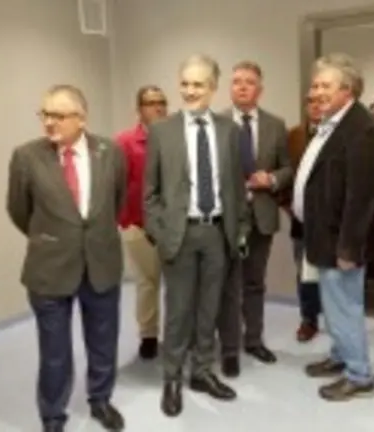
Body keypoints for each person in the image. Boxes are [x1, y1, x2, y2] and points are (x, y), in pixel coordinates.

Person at [6, 85, 127, 432]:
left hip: (101, 262)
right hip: (50, 267)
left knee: (103, 341)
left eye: (58, 115)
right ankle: (53, 415)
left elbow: (116, 202)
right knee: (54, 351)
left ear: (81, 118)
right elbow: (19, 210)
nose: (49, 122)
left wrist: (90, 236)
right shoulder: (26, 157)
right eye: (44, 114)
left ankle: (100, 399)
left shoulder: (110, 152)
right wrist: (53, 238)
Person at [143, 54, 249, 417]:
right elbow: (150, 194)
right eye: (185, 83)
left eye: (198, 84)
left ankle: (202, 371)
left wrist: (240, 230)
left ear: (213, 87)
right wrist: (161, 234)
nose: (189, 91)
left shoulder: (229, 130)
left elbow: (236, 187)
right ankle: (172, 377)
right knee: (178, 311)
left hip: (218, 232)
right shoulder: (162, 131)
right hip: (180, 235)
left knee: (210, 309)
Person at [295, 53, 374, 401]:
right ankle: (340, 355)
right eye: (315, 85)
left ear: (348, 90)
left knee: (344, 307)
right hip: (322, 235)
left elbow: (362, 197)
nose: (316, 92)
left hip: (340, 241)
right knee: (333, 306)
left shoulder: (361, 129)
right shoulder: (331, 123)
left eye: (325, 86)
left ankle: (360, 375)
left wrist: (349, 247)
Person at [217, 60, 292, 376]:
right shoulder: (216, 123)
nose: (242, 87)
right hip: (225, 218)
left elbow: (287, 167)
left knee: (254, 283)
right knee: (226, 285)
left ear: (259, 89)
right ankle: (228, 345)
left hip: (261, 215)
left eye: (249, 82)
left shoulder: (275, 124)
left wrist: (271, 179)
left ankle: (254, 340)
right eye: (237, 81)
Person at [115, 85, 167, 360]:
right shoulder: (125, 142)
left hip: (172, 226)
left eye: (161, 102)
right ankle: (148, 335)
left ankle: (179, 333)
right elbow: (116, 185)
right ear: (139, 109)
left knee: (180, 285)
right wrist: (125, 221)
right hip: (138, 225)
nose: (157, 107)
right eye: (150, 103)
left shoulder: (175, 139)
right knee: (147, 282)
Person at [285, 92, 323, 342]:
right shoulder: (294, 136)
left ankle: (336, 319)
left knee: (331, 273)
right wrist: (288, 206)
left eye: (321, 101)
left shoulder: (338, 134)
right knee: (304, 271)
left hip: (330, 220)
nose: (316, 106)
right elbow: (285, 171)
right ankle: (308, 319)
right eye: (311, 102)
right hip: (301, 219)